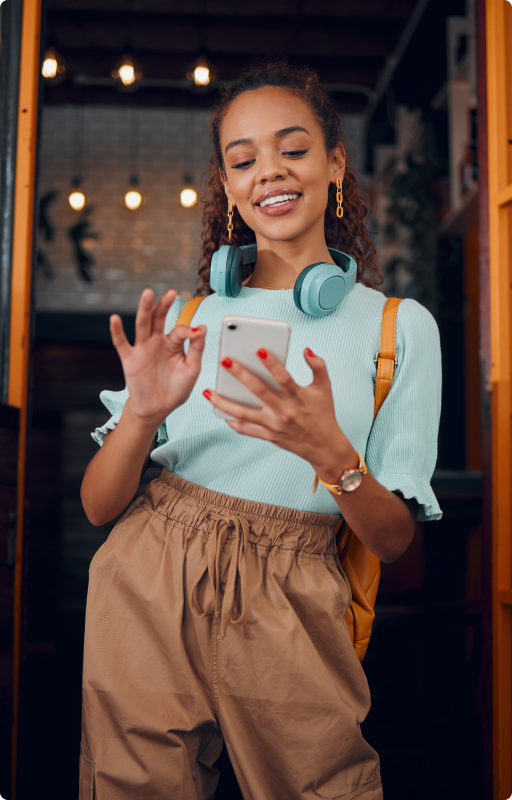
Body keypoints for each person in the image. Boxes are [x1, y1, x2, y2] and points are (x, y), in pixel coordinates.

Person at [79, 60, 442, 800]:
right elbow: (97, 507)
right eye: (243, 159)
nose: (269, 172)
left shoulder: (398, 329)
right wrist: (143, 412)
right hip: (150, 572)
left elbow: (395, 540)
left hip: (295, 587)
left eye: (294, 149)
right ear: (229, 184)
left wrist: (333, 457)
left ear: (335, 163)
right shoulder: (189, 316)